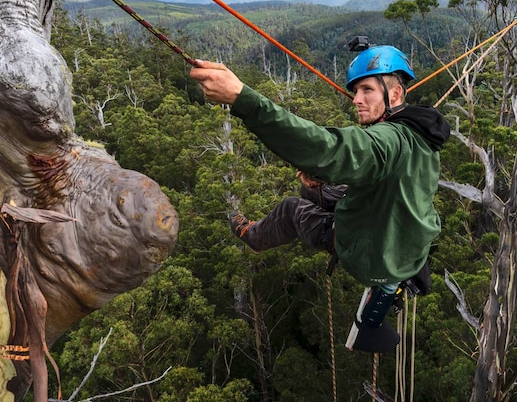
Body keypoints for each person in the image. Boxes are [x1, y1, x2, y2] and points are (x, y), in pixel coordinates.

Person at [189, 44, 450, 352]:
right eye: (355, 91)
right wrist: (322, 175)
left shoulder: (388, 140)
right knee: (311, 189)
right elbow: (374, 167)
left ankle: (253, 236)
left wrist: (242, 99)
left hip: (372, 253)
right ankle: (317, 192)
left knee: (291, 208)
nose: (356, 100)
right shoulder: (419, 130)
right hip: (405, 238)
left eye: (367, 90)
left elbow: (329, 149)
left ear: (394, 95)